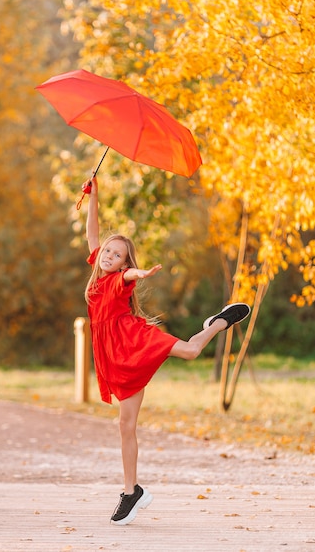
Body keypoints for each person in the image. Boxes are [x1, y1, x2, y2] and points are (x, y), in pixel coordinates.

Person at [83, 176, 250, 526]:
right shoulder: (98, 265)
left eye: (118, 255)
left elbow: (130, 277)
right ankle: (132, 492)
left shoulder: (119, 278)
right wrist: (93, 197)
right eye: (109, 252)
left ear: (123, 264)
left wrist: (139, 273)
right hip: (115, 356)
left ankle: (218, 323)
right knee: (125, 425)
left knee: (190, 351)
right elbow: (92, 232)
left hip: (134, 341)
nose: (110, 256)